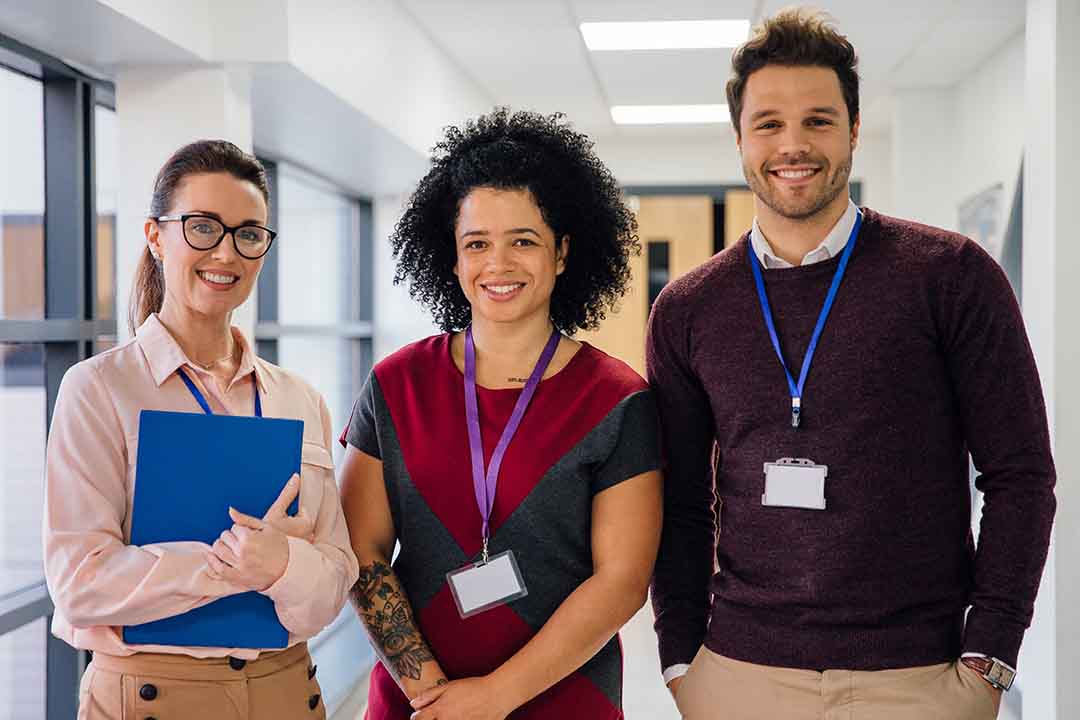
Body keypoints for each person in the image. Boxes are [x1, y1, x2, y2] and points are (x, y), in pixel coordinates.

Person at [647, 9, 1056, 720]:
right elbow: (679, 503)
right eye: (769, 123)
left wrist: (990, 655)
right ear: (739, 138)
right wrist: (682, 659)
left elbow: (1021, 475)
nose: (794, 145)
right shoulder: (688, 308)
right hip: (740, 676)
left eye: (819, 120)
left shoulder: (951, 276)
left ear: (855, 130)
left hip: (918, 678)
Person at [338, 108, 663, 719]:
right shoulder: (395, 384)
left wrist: (493, 697)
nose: (499, 263)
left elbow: (621, 581)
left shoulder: (617, 399)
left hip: (565, 698)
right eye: (477, 243)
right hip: (418, 701)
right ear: (453, 258)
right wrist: (430, 691)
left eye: (524, 241)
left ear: (563, 252)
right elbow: (362, 549)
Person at [43, 140, 359, 720]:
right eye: (203, 226)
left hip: (288, 691)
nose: (227, 252)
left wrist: (286, 566)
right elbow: (80, 583)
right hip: (152, 697)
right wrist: (235, 564)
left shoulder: (298, 398)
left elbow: (338, 577)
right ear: (156, 237)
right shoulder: (99, 390)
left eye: (248, 233)